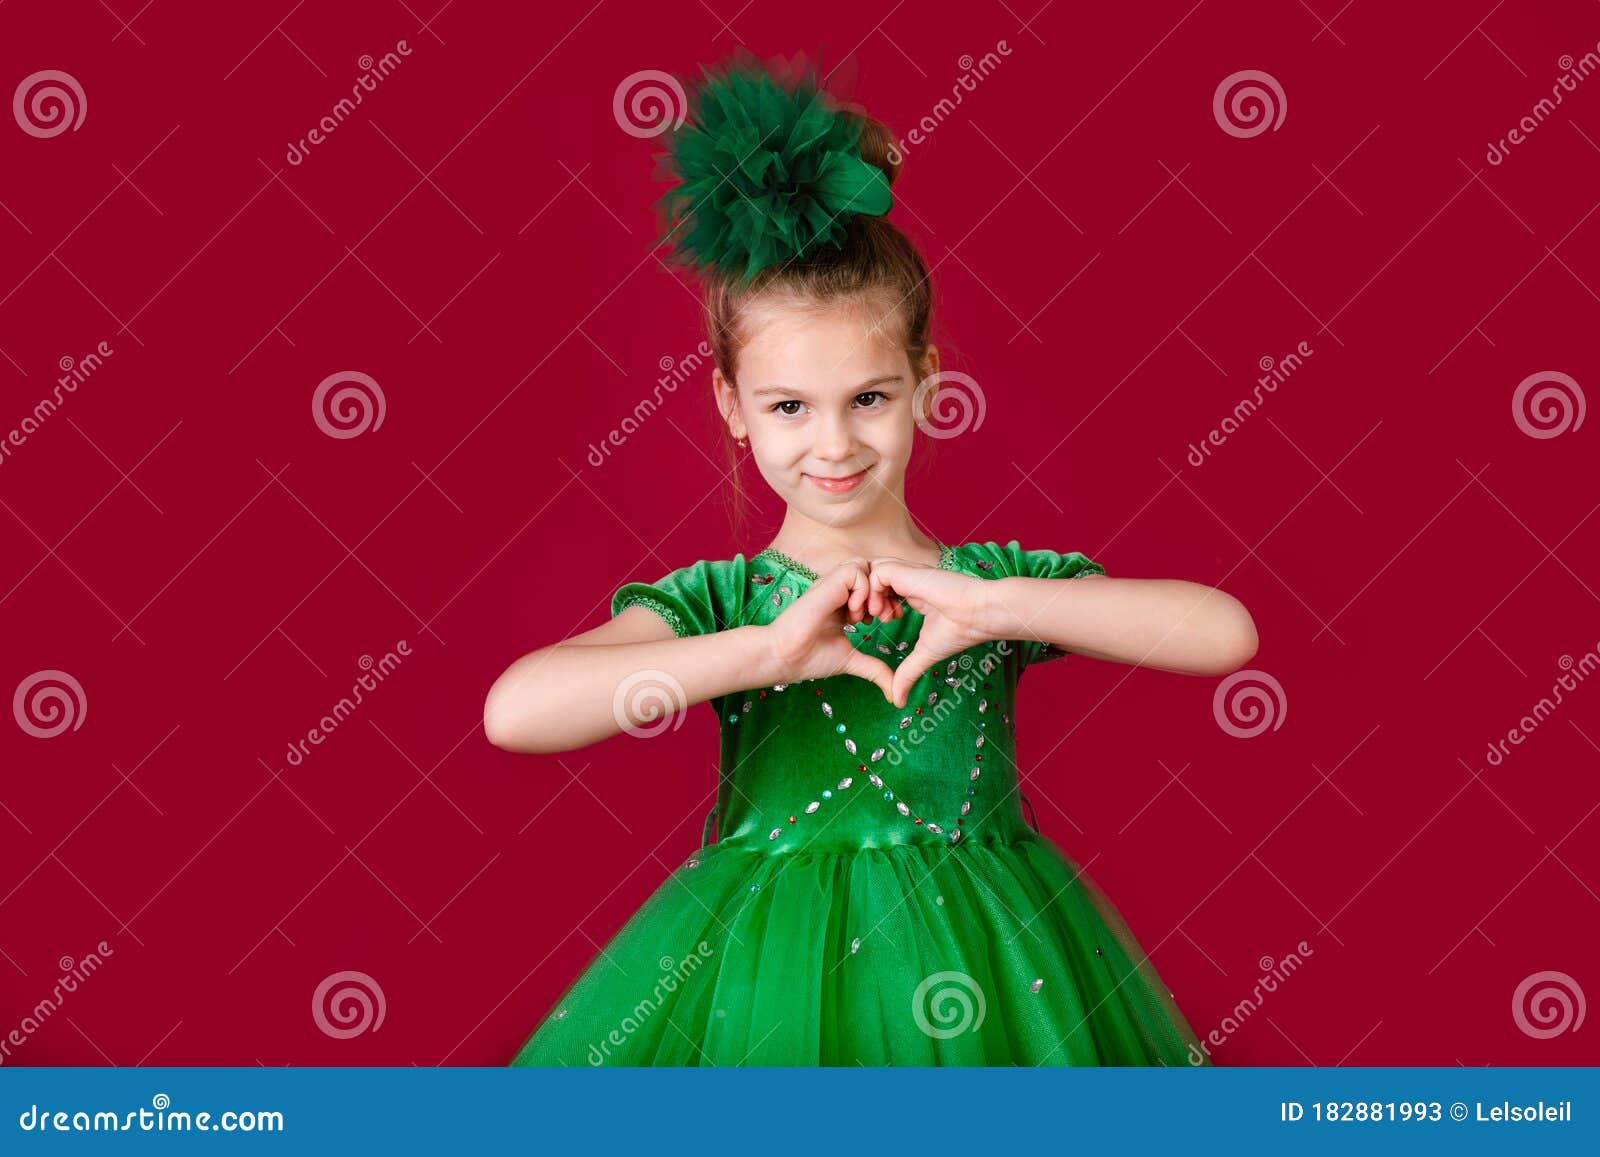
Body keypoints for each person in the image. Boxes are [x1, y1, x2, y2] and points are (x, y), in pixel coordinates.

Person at [485, 49, 1257, 1065]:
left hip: (995, 973)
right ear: (731, 407)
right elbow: (516, 710)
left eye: (869, 398)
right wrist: (765, 652)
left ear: (925, 381)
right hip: (755, 987)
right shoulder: (725, 602)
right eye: (788, 407)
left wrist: (995, 607)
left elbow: (1223, 632)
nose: (835, 443)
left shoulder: (981, 585)